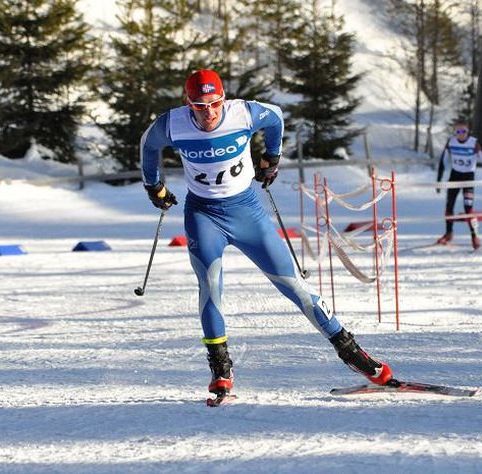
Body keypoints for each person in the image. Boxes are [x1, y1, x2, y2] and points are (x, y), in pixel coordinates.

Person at [140, 69, 393, 401]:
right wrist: (154, 186)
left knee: (295, 287)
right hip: (203, 216)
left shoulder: (242, 113)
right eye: (200, 106)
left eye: (215, 104)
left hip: (248, 214)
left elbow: (275, 118)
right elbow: (148, 145)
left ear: (223, 99)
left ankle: (353, 355)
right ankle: (221, 372)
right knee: (210, 288)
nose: (209, 112)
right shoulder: (172, 124)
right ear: (188, 104)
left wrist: (272, 157)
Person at [436, 119, 482, 250]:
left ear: (467, 131)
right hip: (455, 176)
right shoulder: (451, 142)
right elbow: (443, 162)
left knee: (468, 208)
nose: (461, 134)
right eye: (458, 131)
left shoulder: (473, 143)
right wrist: (439, 181)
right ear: (454, 132)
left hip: (468, 178)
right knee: (449, 206)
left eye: (463, 131)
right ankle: (448, 233)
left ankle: (474, 236)